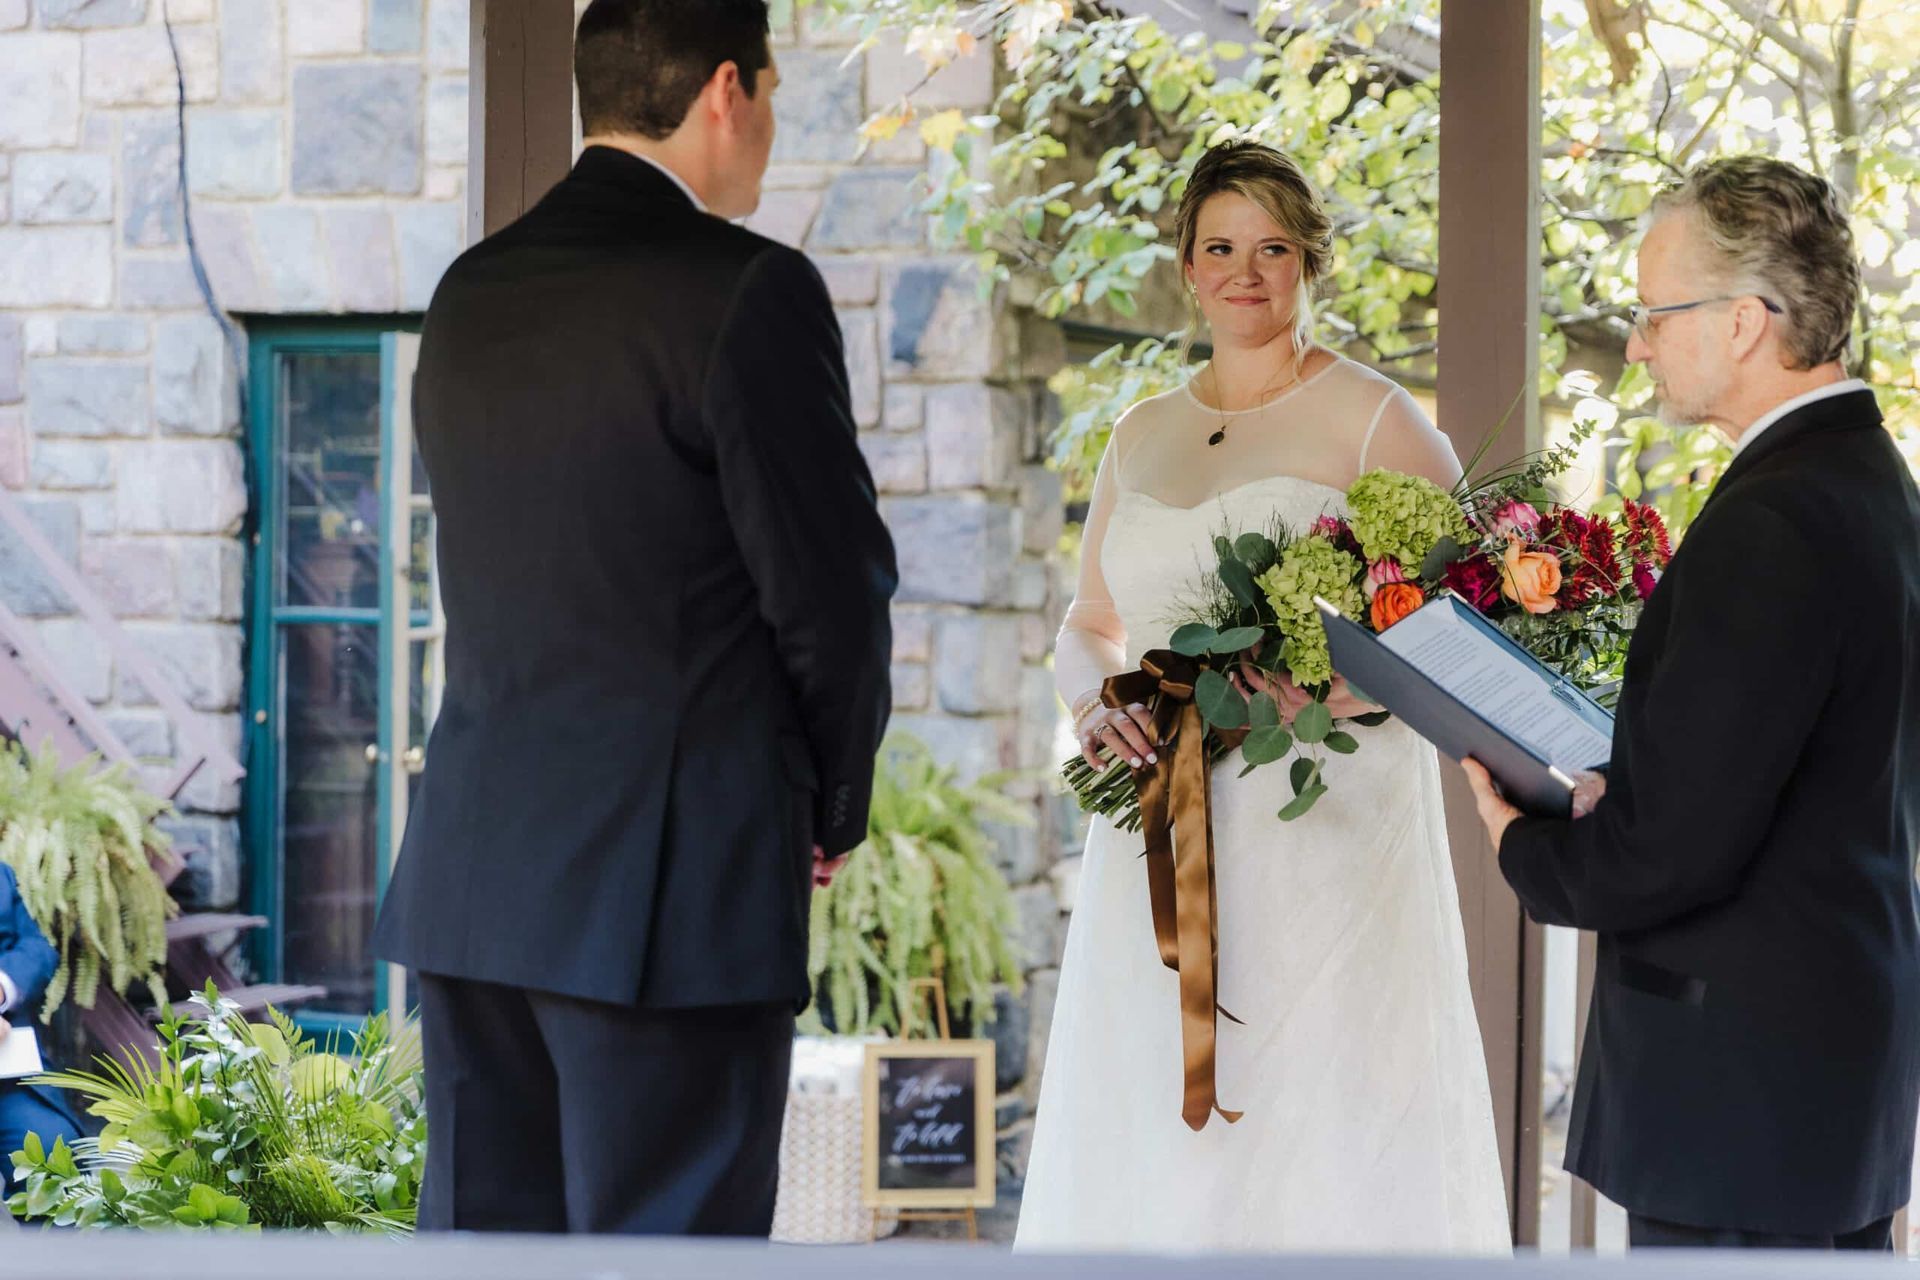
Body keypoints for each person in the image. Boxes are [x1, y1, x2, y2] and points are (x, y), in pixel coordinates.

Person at [370, 0, 897, 1236]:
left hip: (477, 883)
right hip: (672, 896)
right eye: (771, 90)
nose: (769, 124)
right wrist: (827, 801)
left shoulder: (470, 291)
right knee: (671, 1262)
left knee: (489, 1259)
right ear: (727, 88)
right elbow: (832, 595)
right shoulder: (747, 289)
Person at [1016, 140, 1510, 1253]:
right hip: (1161, 822)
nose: (1246, 271)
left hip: (1322, 828)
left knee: (1317, 1108)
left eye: (1273, 247)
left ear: (1309, 261)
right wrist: (1097, 705)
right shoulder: (1138, 431)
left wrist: (1320, 692)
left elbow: (1459, 624)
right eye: (1222, 247)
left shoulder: (1380, 419)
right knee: (1159, 1122)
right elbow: (1087, 622)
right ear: (1187, 265)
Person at [1463, 155, 1920, 1252]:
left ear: (1749, 322)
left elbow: (1674, 848)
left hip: (1742, 1089)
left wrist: (1520, 838)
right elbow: (1795, 774)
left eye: (1658, 310)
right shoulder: (1872, 482)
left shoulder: (1776, 521)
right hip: (1819, 1067)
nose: (1637, 342)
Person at [0, 863, 84, 1190]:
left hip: (7, 1077)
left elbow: (37, 949)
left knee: (52, 1156)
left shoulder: (3, 874)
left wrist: (4, 984)